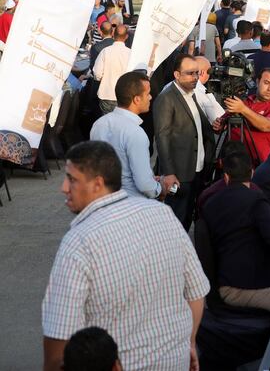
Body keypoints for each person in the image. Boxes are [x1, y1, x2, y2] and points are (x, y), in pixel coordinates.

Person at [42, 141, 208, 371]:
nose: (63, 187)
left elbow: (58, 339)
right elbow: (197, 293)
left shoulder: (78, 243)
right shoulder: (162, 213)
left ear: (97, 184)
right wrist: (189, 343)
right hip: (176, 361)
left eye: (72, 179)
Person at [201, 149, 270, 313]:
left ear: (226, 177)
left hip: (222, 282)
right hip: (246, 285)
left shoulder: (209, 203)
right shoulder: (256, 199)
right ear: (252, 172)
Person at [153, 54, 215, 230]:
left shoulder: (191, 93)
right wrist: (169, 173)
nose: (195, 77)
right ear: (176, 74)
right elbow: (162, 137)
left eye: (197, 73)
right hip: (179, 174)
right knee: (175, 222)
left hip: (196, 170)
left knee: (186, 218)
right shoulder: (166, 98)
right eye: (189, 73)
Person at [90, 72, 172, 200]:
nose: (150, 97)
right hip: (128, 203)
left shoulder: (99, 124)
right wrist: (160, 188)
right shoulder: (135, 133)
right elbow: (145, 185)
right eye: (148, 94)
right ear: (137, 99)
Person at [213, 67, 270, 164]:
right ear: (257, 82)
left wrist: (243, 109)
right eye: (266, 83)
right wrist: (219, 125)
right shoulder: (244, 101)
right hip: (228, 162)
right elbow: (221, 125)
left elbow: (267, 126)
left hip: (253, 166)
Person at [93, 24, 131, 114]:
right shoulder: (131, 54)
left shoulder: (105, 51)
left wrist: (104, 79)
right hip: (125, 96)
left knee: (107, 124)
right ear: (126, 37)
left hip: (107, 94)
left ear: (113, 34)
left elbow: (97, 73)